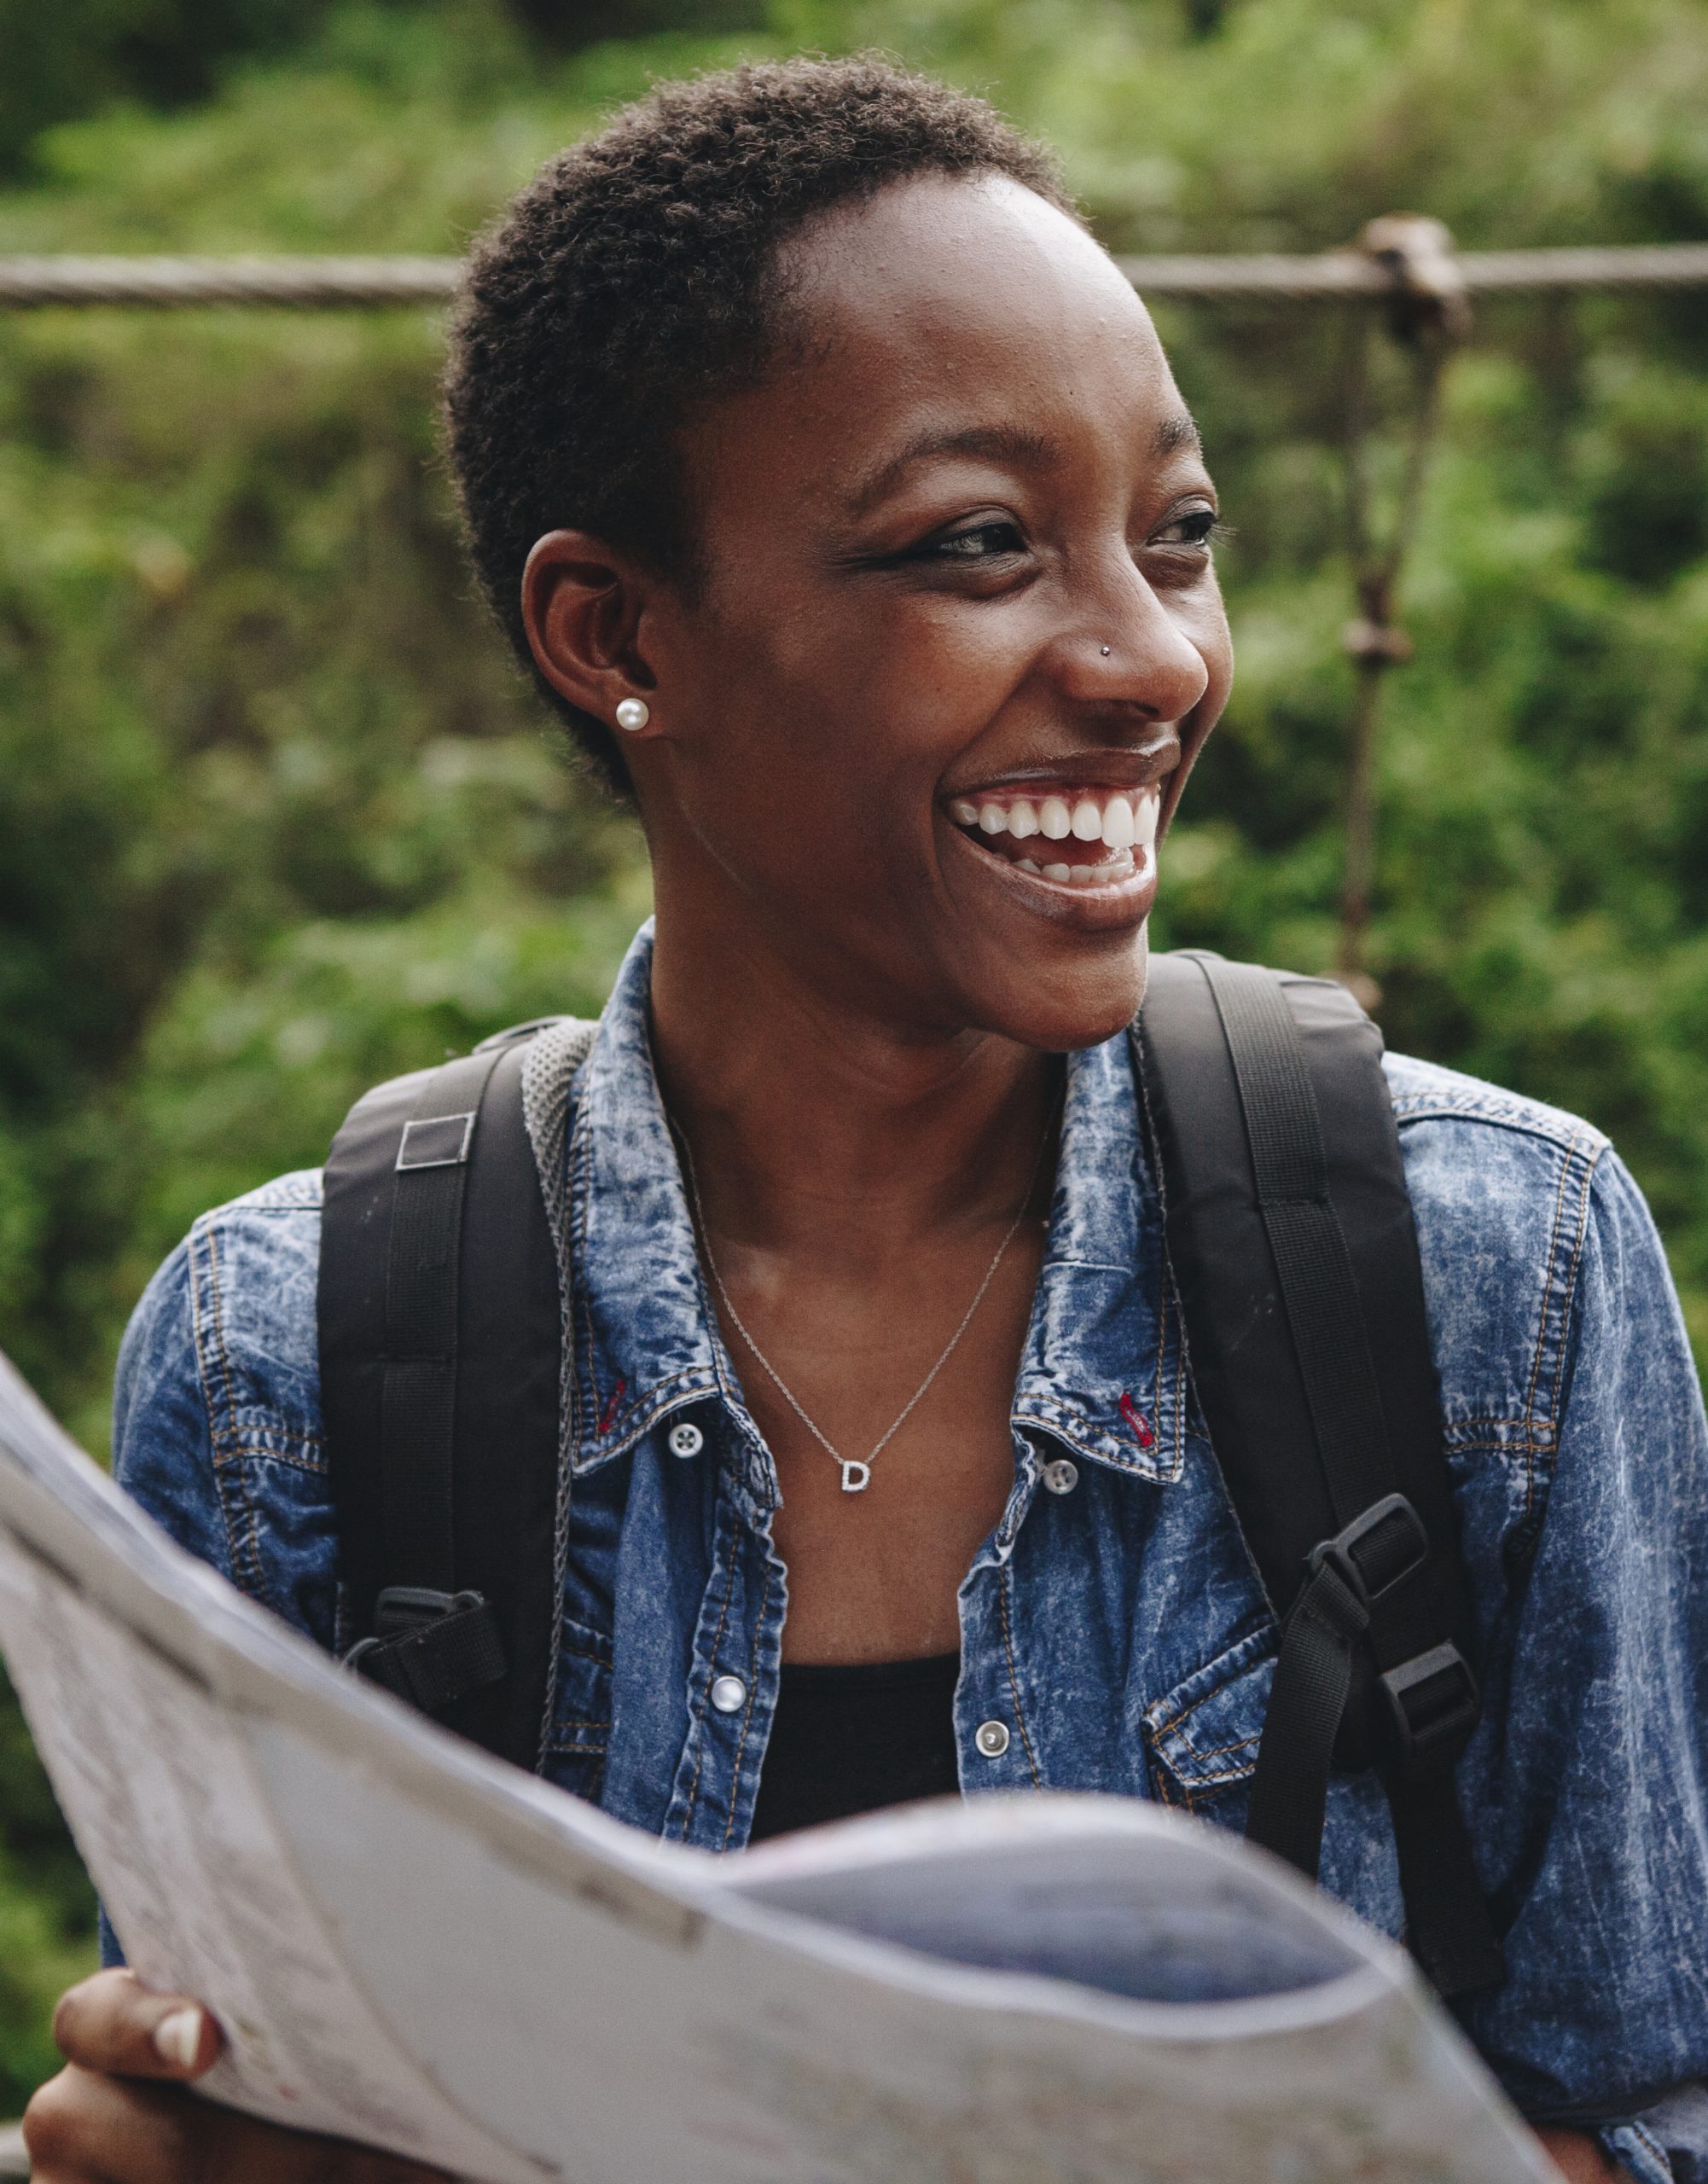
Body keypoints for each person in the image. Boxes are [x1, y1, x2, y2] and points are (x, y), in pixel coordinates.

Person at [21, 55, 1707, 2184]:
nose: (1147, 659)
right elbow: (236, 2076)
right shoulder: (293, 1350)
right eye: (975, 543)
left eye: (1174, 533)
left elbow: (1648, 2113)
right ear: (612, 629)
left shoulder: (1494, 1266)